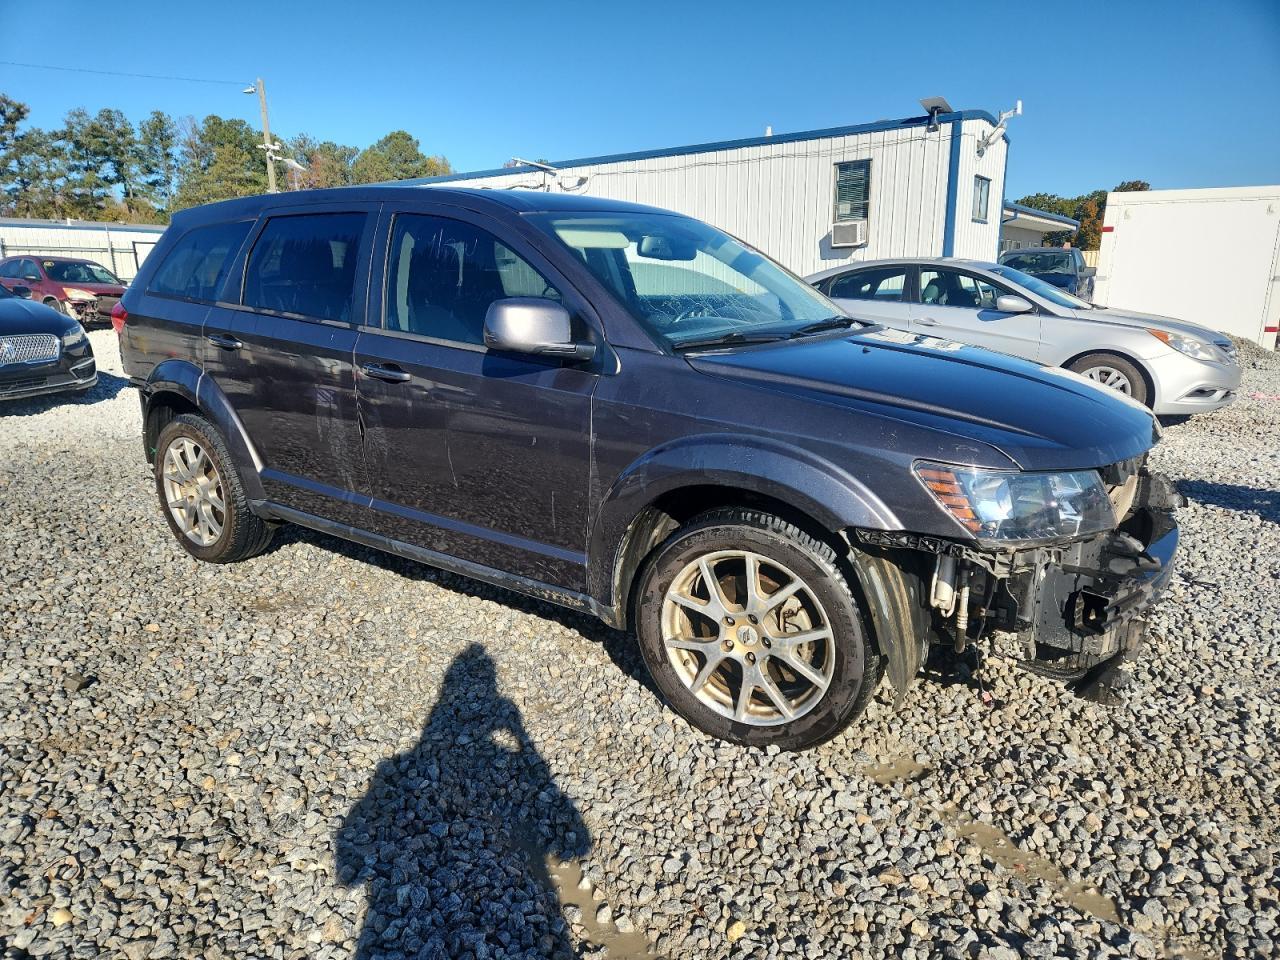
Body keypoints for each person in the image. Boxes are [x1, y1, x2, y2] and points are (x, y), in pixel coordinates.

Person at [336, 644, 589, 959]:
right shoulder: (502, 755)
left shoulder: (400, 766)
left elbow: (350, 869)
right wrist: (524, 742)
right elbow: (577, 845)